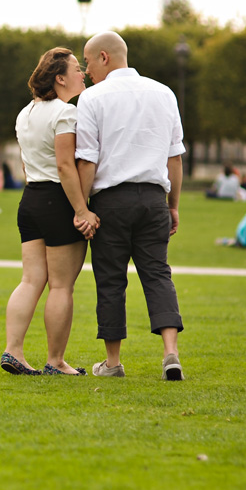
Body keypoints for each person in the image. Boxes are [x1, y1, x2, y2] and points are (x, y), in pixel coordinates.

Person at [75, 31, 185, 381]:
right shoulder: (164, 93)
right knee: (158, 275)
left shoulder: (92, 98)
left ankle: (112, 362)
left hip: (111, 202)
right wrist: (173, 205)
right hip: (154, 199)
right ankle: (171, 353)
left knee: (110, 280)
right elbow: (175, 158)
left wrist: (82, 207)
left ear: (104, 57)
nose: (87, 70)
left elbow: (88, 161)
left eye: (88, 62)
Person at [2, 47, 98, 376]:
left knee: (30, 280)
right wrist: (81, 210)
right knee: (60, 286)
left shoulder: (25, 113)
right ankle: (55, 361)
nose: (82, 72)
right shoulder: (65, 113)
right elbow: (65, 166)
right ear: (59, 78)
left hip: (30, 200)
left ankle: (13, 351)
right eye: (75, 68)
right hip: (57, 200)